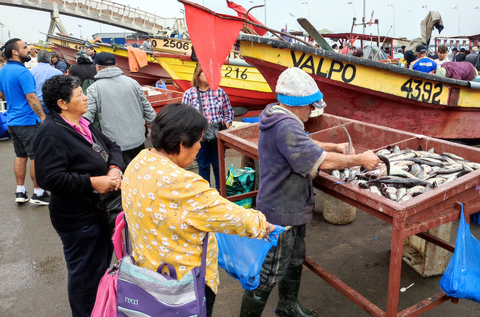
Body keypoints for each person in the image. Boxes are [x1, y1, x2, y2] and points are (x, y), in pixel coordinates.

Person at [239, 67, 380, 317]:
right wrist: (362, 159)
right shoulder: (285, 127)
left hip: (292, 207)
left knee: (294, 259)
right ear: (296, 104)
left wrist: (332, 145)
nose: (312, 111)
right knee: (268, 272)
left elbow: (303, 142)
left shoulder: (277, 114)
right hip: (281, 214)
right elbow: (322, 162)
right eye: (310, 107)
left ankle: (287, 305)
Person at [122, 103, 275, 317]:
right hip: (182, 282)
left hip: (146, 273)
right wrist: (264, 225)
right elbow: (231, 216)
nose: (200, 147)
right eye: (199, 141)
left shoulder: (138, 162)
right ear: (183, 144)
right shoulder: (184, 184)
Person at [33, 75, 125, 317]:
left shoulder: (83, 123)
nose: (85, 97)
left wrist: (114, 169)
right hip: (78, 219)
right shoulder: (51, 133)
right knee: (85, 278)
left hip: (99, 214)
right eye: (79, 94)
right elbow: (48, 178)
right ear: (63, 103)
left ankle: (99, 310)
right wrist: (93, 182)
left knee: (99, 270)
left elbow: (112, 146)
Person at [0, 38, 49, 205]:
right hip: (27, 121)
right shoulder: (23, 72)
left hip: (12, 121)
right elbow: (31, 97)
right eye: (25, 47)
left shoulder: (4, 70)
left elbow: (2, 95)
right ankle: (38, 193)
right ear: (15, 51)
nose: (28, 50)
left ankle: (20, 191)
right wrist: (43, 118)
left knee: (21, 156)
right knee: (36, 156)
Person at [84, 52, 156, 165]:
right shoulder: (133, 82)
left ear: (97, 67)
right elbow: (148, 110)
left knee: (121, 178)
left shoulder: (94, 89)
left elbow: (87, 117)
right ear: (116, 64)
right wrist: (160, 130)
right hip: (138, 140)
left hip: (115, 145)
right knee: (139, 174)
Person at [181, 64, 234, 190]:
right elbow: (184, 117)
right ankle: (205, 192)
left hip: (218, 136)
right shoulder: (189, 94)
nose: (208, 75)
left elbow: (229, 112)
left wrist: (225, 126)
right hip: (200, 137)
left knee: (219, 165)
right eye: (204, 72)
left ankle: (221, 193)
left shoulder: (219, 92)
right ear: (197, 75)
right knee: (203, 165)